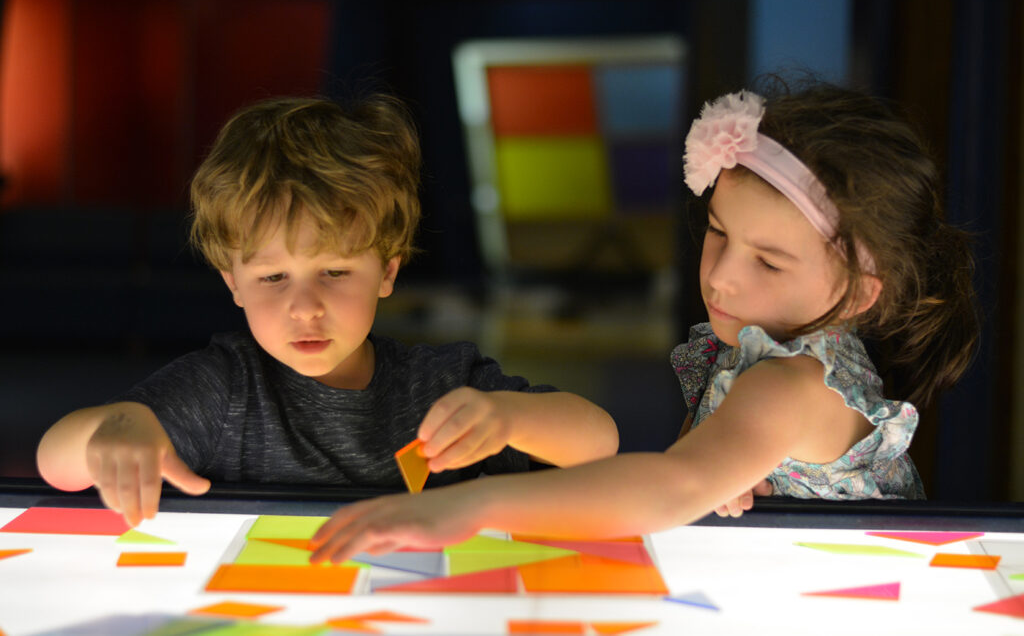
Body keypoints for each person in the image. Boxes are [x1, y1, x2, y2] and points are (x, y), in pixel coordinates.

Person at [307, 81, 979, 562]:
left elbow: (671, 486)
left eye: (768, 263)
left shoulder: (795, 384)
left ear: (862, 293)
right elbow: (690, 476)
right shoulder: (750, 353)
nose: (721, 276)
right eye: (718, 234)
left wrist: (470, 506)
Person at [36, 94, 618, 527]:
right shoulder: (222, 389)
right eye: (272, 277)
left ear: (387, 271)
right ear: (232, 282)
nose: (305, 307)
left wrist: (508, 418)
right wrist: (115, 427)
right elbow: (56, 462)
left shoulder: (441, 386)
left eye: (335, 272)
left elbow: (600, 443)